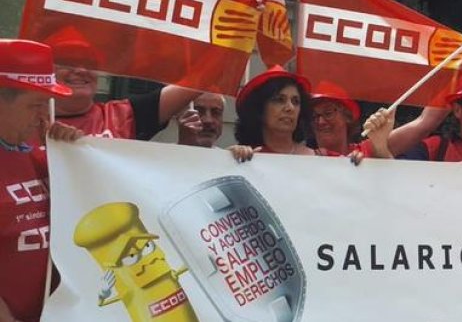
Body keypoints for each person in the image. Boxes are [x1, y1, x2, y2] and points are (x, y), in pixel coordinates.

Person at [0, 39, 78, 322]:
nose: (44, 114)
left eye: (47, 102)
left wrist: (73, 154)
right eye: (35, 104)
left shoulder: (41, 152)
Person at [46, 27, 200, 141]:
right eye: (68, 62)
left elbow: (198, 82)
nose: (81, 70)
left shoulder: (122, 116)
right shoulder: (32, 124)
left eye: (89, 63)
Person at [229, 66, 320, 160]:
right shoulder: (243, 156)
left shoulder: (320, 156)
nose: (290, 108)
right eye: (280, 100)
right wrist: (229, 158)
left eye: (296, 101)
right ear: (259, 108)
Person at [310, 80, 363, 156]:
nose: (320, 121)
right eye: (314, 116)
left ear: (347, 116)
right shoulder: (304, 158)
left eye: (328, 113)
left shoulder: (365, 153)